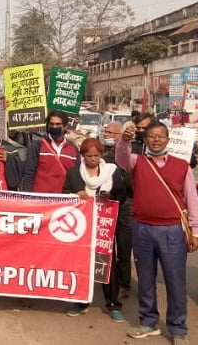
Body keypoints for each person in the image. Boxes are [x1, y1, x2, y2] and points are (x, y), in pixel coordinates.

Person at [116, 122, 198, 345]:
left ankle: (178, 328)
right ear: (145, 140)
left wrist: (196, 231)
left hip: (172, 230)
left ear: (168, 140)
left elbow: (192, 200)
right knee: (145, 279)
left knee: (175, 280)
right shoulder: (136, 162)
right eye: (152, 136)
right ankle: (149, 321)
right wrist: (125, 140)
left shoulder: (182, 166)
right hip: (142, 228)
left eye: (160, 136)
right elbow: (121, 157)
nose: (156, 140)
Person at [63, 138, 130, 322]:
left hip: (104, 228)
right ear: (82, 156)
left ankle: (113, 304)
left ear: (101, 155)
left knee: (107, 264)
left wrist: (110, 196)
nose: (92, 159)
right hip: (82, 227)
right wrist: (75, 195)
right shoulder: (74, 173)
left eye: (96, 155)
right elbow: (63, 195)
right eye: (88, 156)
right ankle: (81, 302)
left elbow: (122, 196)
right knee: (81, 264)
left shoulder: (112, 172)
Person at [101, 121, 134, 300]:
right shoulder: (100, 152)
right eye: (105, 131)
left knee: (123, 247)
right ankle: (106, 280)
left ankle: (124, 284)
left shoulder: (126, 153)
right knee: (105, 246)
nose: (107, 134)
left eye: (111, 133)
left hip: (126, 204)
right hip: (106, 203)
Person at [22, 110, 80, 193]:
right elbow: (29, 175)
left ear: (66, 127)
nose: (54, 127)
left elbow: (76, 177)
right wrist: (28, 197)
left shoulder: (73, 149)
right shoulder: (36, 146)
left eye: (58, 124)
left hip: (64, 201)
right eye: (52, 124)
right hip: (41, 200)